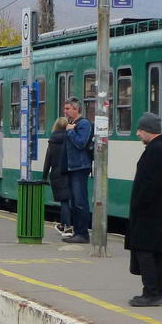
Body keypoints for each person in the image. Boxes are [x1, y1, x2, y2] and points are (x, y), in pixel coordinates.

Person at [127, 113, 162, 307]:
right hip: (159, 209)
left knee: (145, 250)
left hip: (149, 211)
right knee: (156, 251)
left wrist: (138, 204)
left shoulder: (156, 150)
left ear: (148, 130)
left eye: (140, 130)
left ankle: (151, 293)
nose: (138, 133)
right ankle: (157, 291)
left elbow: (150, 183)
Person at [62, 98, 93, 244]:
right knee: (74, 202)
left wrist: (70, 132)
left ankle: (83, 233)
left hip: (80, 167)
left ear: (76, 109)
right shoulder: (72, 124)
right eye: (65, 108)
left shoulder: (84, 124)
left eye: (68, 108)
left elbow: (81, 143)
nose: (65, 111)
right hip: (72, 167)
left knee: (80, 201)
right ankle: (78, 232)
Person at [42, 117, 72, 236]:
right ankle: (65, 226)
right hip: (68, 172)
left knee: (64, 202)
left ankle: (66, 227)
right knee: (68, 201)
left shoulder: (52, 140)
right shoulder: (69, 138)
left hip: (56, 174)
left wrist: (44, 177)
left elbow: (47, 161)